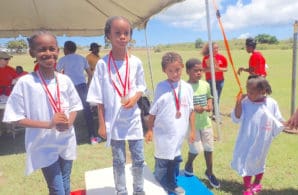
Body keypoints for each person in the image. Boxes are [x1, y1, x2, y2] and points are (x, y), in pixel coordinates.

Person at [2, 30, 83, 195]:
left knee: (66, 183)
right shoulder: (26, 83)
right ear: (32, 52)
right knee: (57, 189)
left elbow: (75, 106)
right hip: (43, 144)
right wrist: (49, 124)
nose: (48, 53)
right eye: (42, 49)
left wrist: (69, 122)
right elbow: (14, 117)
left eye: (52, 48)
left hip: (65, 141)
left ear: (58, 51)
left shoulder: (64, 80)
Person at [87, 16, 146, 195]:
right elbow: (99, 97)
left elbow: (141, 86)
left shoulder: (136, 62)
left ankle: (139, 190)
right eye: (117, 33)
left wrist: (135, 98)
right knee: (118, 160)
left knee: (138, 159)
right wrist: (101, 124)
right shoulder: (103, 64)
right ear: (108, 36)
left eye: (126, 33)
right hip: (114, 121)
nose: (122, 37)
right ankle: (121, 191)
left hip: (133, 119)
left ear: (130, 36)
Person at [145, 52, 195, 195]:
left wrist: (191, 131)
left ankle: (172, 184)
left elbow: (191, 111)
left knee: (175, 161)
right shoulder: (161, 87)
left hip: (178, 135)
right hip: (163, 135)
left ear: (182, 68)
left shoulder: (187, 88)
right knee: (162, 163)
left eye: (177, 70)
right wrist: (150, 130)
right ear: (164, 71)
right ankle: (159, 186)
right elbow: (153, 113)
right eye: (170, 71)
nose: (174, 74)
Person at [231, 75, 284, 195]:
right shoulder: (245, 102)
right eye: (247, 91)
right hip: (247, 139)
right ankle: (247, 187)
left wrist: (286, 124)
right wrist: (238, 102)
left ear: (263, 91)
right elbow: (237, 117)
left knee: (260, 160)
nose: (248, 94)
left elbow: (278, 119)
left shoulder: (272, 103)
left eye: (252, 92)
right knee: (247, 161)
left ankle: (257, 183)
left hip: (263, 140)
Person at [183, 58, 220, 188]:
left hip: (205, 123)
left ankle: (209, 172)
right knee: (196, 149)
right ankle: (188, 164)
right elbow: (183, 105)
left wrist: (209, 105)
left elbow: (209, 97)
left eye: (201, 70)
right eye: (195, 70)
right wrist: (194, 107)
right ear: (187, 71)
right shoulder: (184, 87)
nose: (199, 73)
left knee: (209, 148)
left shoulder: (205, 84)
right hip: (191, 125)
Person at [57, 40, 100, 145]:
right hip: (82, 86)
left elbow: (56, 74)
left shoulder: (63, 59)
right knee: (87, 112)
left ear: (66, 49)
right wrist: (88, 85)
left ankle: (67, 139)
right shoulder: (82, 58)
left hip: (68, 88)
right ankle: (92, 137)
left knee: (68, 111)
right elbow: (90, 74)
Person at [201, 42, 228, 113]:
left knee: (217, 97)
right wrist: (211, 69)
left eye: (217, 48)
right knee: (213, 97)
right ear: (210, 49)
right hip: (210, 80)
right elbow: (203, 70)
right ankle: (215, 113)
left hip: (220, 80)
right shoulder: (206, 58)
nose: (216, 49)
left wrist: (218, 69)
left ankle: (215, 112)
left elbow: (226, 69)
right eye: (214, 48)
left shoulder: (222, 57)